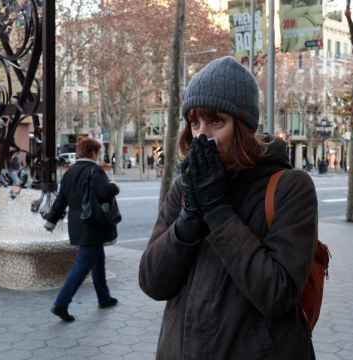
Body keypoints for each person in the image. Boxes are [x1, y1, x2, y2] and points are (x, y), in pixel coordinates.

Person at [139, 56, 317, 359]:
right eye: (194, 123)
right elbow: (153, 282)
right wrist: (188, 221)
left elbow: (278, 294)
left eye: (216, 121)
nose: (202, 135)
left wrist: (218, 211)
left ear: (244, 127)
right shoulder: (185, 186)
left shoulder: (290, 187)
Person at [43, 137, 120, 322]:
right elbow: (104, 192)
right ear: (93, 152)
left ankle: (104, 297)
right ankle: (61, 304)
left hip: (77, 225)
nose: (98, 155)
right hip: (92, 225)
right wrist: (114, 187)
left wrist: (51, 221)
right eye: (97, 152)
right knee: (82, 266)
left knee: (98, 259)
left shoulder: (70, 172)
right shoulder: (95, 170)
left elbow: (61, 200)